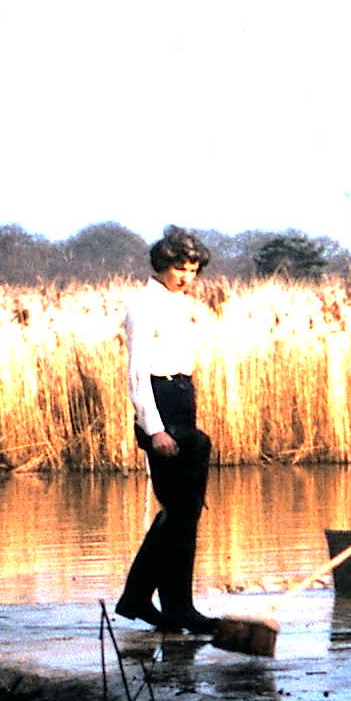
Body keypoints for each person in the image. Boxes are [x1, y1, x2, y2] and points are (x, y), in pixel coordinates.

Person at [115, 226, 221, 635]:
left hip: (182, 395)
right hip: (158, 403)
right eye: (180, 268)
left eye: (193, 269)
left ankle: (142, 597)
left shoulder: (181, 304)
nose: (187, 276)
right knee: (181, 511)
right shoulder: (143, 305)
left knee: (183, 512)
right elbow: (137, 373)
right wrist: (154, 429)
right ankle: (174, 606)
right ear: (162, 264)